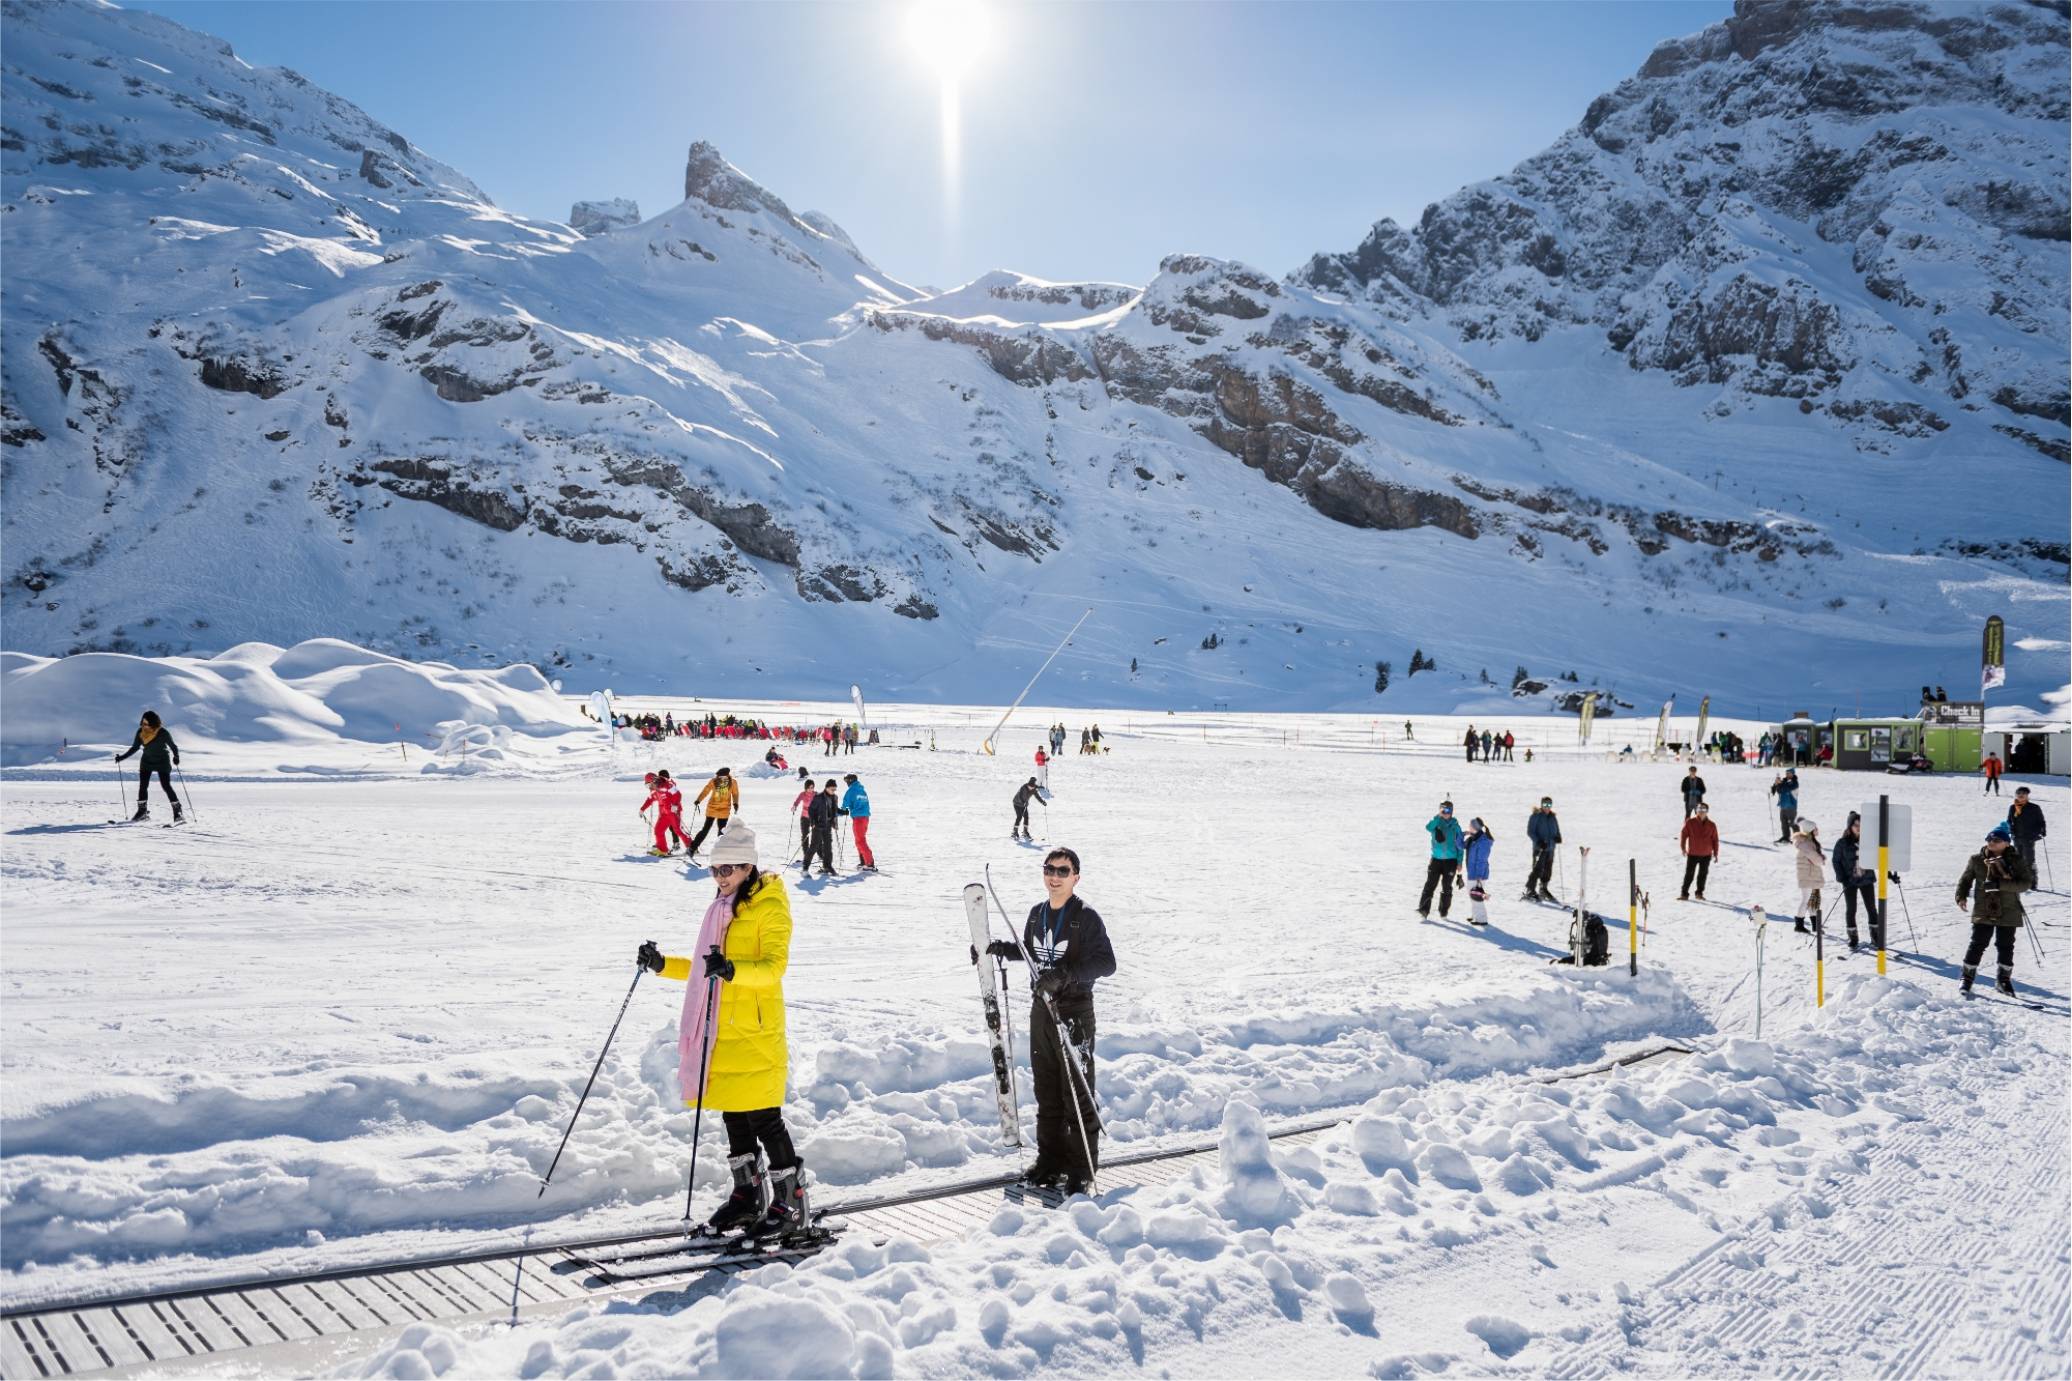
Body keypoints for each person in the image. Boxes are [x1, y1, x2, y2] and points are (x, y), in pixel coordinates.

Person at [636, 825, 812, 1236]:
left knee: (765, 1118)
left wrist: (732, 970)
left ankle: (792, 1202)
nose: (720, 878)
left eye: (727, 869)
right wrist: (662, 964)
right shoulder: (724, 909)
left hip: (755, 1031)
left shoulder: (770, 906)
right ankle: (747, 1198)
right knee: (734, 1115)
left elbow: (774, 968)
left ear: (749, 866)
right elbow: (704, 969)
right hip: (722, 1031)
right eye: (715, 870)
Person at [975, 847, 1115, 1192]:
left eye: (1063, 871)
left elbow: (1106, 963)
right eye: (1049, 869)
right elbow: (1029, 950)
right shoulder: (1038, 914)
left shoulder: (1086, 917)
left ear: (1076, 877)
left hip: (1074, 1013)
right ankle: (1050, 1162)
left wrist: (1066, 975)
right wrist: (995, 950)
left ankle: (1081, 1169)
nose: (1055, 876)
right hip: (1042, 1010)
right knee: (1047, 1089)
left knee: (1076, 1092)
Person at [1955, 823, 2033, 997]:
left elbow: (2026, 883)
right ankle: (1967, 978)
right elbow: (1966, 879)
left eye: (1996, 839)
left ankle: (2003, 981)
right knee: (1977, 943)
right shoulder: (1976, 859)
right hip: (1984, 908)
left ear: (2006, 843)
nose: (1991, 842)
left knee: (2006, 946)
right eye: (1989, 839)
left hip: (2009, 909)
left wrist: (2000, 885)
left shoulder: (2016, 860)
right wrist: (1960, 895)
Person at [116, 709, 183, 822]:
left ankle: (178, 812)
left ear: (153, 723)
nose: (144, 725)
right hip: (147, 761)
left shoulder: (163, 733)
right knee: (143, 785)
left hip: (162, 761)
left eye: (146, 723)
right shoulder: (140, 733)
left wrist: (176, 757)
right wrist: (122, 757)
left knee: (166, 785)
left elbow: (173, 746)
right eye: (142, 723)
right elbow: (135, 747)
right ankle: (142, 812)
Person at [1832, 813, 1881, 951]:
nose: (1858, 828)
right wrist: (1842, 878)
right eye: (1855, 825)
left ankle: (1875, 936)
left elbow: (1878, 858)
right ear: (1850, 826)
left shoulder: (1868, 842)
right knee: (1851, 909)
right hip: (1850, 881)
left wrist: (1889, 874)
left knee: (1871, 908)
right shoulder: (1842, 843)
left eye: (1861, 825)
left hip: (1866, 879)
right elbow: (1836, 861)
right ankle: (1853, 938)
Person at [1419, 801, 1464, 920]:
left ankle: (1443, 910)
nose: (1445, 813)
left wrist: (1459, 862)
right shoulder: (1436, 823)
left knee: (1446, 886)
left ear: (1452, 812)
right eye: (1442, 810)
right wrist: (1437, 817)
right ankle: (1424, 909)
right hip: (1436, 860)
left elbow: (1460, 846)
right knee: (1430, 884)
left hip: (1451, 861)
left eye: (1447, 811)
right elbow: (1428, 827)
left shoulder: (1456, 826)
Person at [687, 767, 741, 858]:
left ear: (727, 775)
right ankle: (692, 848)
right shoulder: (714, 781)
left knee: (721, 832)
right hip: (712, 809)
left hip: (724, 810)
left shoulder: (733, 782)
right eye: (719, 776)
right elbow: (706, 790)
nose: (720, 778)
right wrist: (698, 800)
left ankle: (720, 851)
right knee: (705, 830)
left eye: (722, 776)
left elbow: (735, 793)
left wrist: (735, 803)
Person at [641, 769, 691, 856]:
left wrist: (675, 805)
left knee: (678, 830)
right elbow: (650, 799)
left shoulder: (667, 785)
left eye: (649, 784)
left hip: (673, 811)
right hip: (664, 814)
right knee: (658, 830)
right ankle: (662, 850)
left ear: (653, 781)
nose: (649, 787)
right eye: (647, 785)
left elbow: (678, 794)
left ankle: (692, 847)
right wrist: (642, 809)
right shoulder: (655, 790)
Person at [1790, 818, 1825, 934]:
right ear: (1810, 830)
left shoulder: (1808, 842)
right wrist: (1821, 859)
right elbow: (1815, 859)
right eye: (1815, 828)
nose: (1817, 830)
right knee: (1806, 900)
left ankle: (1815, 926)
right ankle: (1799, 925)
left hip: (1810, 874)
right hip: (1808, 875)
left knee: (1812, 900)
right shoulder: (1806, 843)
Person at [1678, 803, 1718, 901]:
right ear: (1696, 810)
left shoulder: (1712, 825)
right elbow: (1683, 835)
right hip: (1693, 854)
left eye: (1703, 810)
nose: (1701, 811)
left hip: (1706, 855)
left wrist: (1716, 853)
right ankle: (1684, 894)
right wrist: (1683, 848)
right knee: (1689, 874)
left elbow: (1715, 840)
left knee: (1702, 875)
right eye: (1699, 809)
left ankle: (1699, 893)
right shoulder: (1690, 822)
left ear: (1707, 811)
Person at [1524, 797, 1561, 901]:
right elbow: (1530, 832)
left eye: (1549, 805)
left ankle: (1543, 889)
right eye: (1545, 805)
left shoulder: (1552, 817)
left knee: (1548, 870)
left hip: (1550, 848)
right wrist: (1538, 842)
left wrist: (1557, 837)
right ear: (1541, 805)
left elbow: (1556, 830)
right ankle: (1530, 889)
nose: (1547, 807)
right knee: (1537, 869)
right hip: (1540, 848)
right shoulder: (1536, 816)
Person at [2007, 787, 2047, 881]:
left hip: (2029, 837)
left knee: (2029, 860)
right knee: (2017, 860)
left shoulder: (2034, 807)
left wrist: (2042, 831)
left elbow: (2041, 821)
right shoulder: (2013, 807)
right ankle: (2019, 879)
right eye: (2018, 793)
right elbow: (2009, 821)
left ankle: (2032, 880)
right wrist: (2011, 831)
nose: (2021, 795)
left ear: (2027, 795)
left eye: (2023, 793)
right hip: (2017, 837)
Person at [802, 780, 840, 876]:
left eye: (835, 789)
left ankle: (827, 866)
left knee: (828, 847)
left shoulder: (834, 797)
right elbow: (811, 809)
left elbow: (834, 810)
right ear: (827, 788)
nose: (834, 791)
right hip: (818, 825)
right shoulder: (819, 797)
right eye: (832, 789)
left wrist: (840, 816)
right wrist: (813, 822)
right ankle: (805, 867)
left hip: (828, 825)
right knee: (814, 846)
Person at [1462, 817, 1494, 926]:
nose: (1469, 827)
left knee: (1476, 895)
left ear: (1475, 827)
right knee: (1472, 894)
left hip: (1478, 874)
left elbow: (1482, 860)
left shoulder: (1483, 841)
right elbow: (1460, 845)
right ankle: (1475, 915)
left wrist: (1479, 876)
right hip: (1472, 872)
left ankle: (1482, 919)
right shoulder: (1472, 838)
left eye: (1470, 825)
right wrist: (1462, 835)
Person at [840, 773, 875, 871]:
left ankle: (869, 863)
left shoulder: (851, 791)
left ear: (850, 781)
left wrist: (837, 813)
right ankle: (864, 861)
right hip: (865, 818)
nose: (846, 783)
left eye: (847, 781)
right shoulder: (862, 790)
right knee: (859, 840)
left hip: (858, 819)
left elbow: (844, 806)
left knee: (860, 841)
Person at [1770, 771, 1799, 843]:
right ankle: (1786, 836)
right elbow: (1777, 790)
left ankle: (1798, 837)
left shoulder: (1795, 782)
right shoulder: (1784, 781)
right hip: (1782, 806)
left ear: (1793, 774)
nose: (1787, 774)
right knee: (1784, 822)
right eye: (1786, 773)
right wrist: (1775, 785)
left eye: (1789, 773)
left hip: (1791, 806)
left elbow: (1788, 788)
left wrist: (1780, 783)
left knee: (1792, 822)